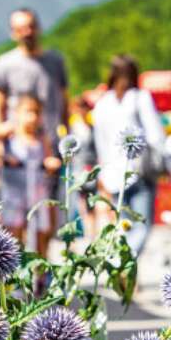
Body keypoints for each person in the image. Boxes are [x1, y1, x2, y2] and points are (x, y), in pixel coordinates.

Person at [92, 55, 165, 256]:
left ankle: (126, 270)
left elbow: (100, 142)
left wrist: (103, 173)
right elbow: (155, 135)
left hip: (113, 175)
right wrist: (165, 162)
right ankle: (126, 261)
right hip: (139, 171)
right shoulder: (140, 97)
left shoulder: (102, 104)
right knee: (142, 225)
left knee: (123, 225)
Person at [0, 94, 61, 256]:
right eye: (28, 112)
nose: (32, 117)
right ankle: (14, 271)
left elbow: (49, 157)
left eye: (36, 113)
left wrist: (51, 163)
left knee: (41, 232)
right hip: (14, 193)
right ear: (17, 113)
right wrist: (3, 157)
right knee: (13, 233)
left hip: (36, 191)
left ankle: (41, 274)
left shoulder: (40, 136)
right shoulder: (10, 132)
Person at [0, 7, 69, 140]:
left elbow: (65, 102)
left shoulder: (56, 61)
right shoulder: (3, 64)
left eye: (31, 26)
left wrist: (68, 136)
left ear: (38, 28)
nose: (27, 33)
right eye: (20, 29)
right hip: (19, 148)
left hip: (53, 144)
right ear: (13, 33)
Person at [69, 95, 98, 239]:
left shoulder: (92, 128)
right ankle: (84, 234)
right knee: (80, 203)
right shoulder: (71, 129)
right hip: (77, 171)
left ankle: (91, 234)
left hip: (91, 171)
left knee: (91, 204)